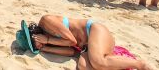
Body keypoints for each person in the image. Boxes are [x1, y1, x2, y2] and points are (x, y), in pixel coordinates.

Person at [16, 15, 152, 70]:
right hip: (86, 47)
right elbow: (71, 51)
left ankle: (140, 64)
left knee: (98, 62)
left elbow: (71, 40)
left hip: (93, 30)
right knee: (83, 66)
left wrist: (48, 40)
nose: (37, 45)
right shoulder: (46, 43)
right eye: (34, 47)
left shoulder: (46, 21)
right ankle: (116, 61)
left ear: (34, 33)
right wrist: (45, 48)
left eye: (34, 42)